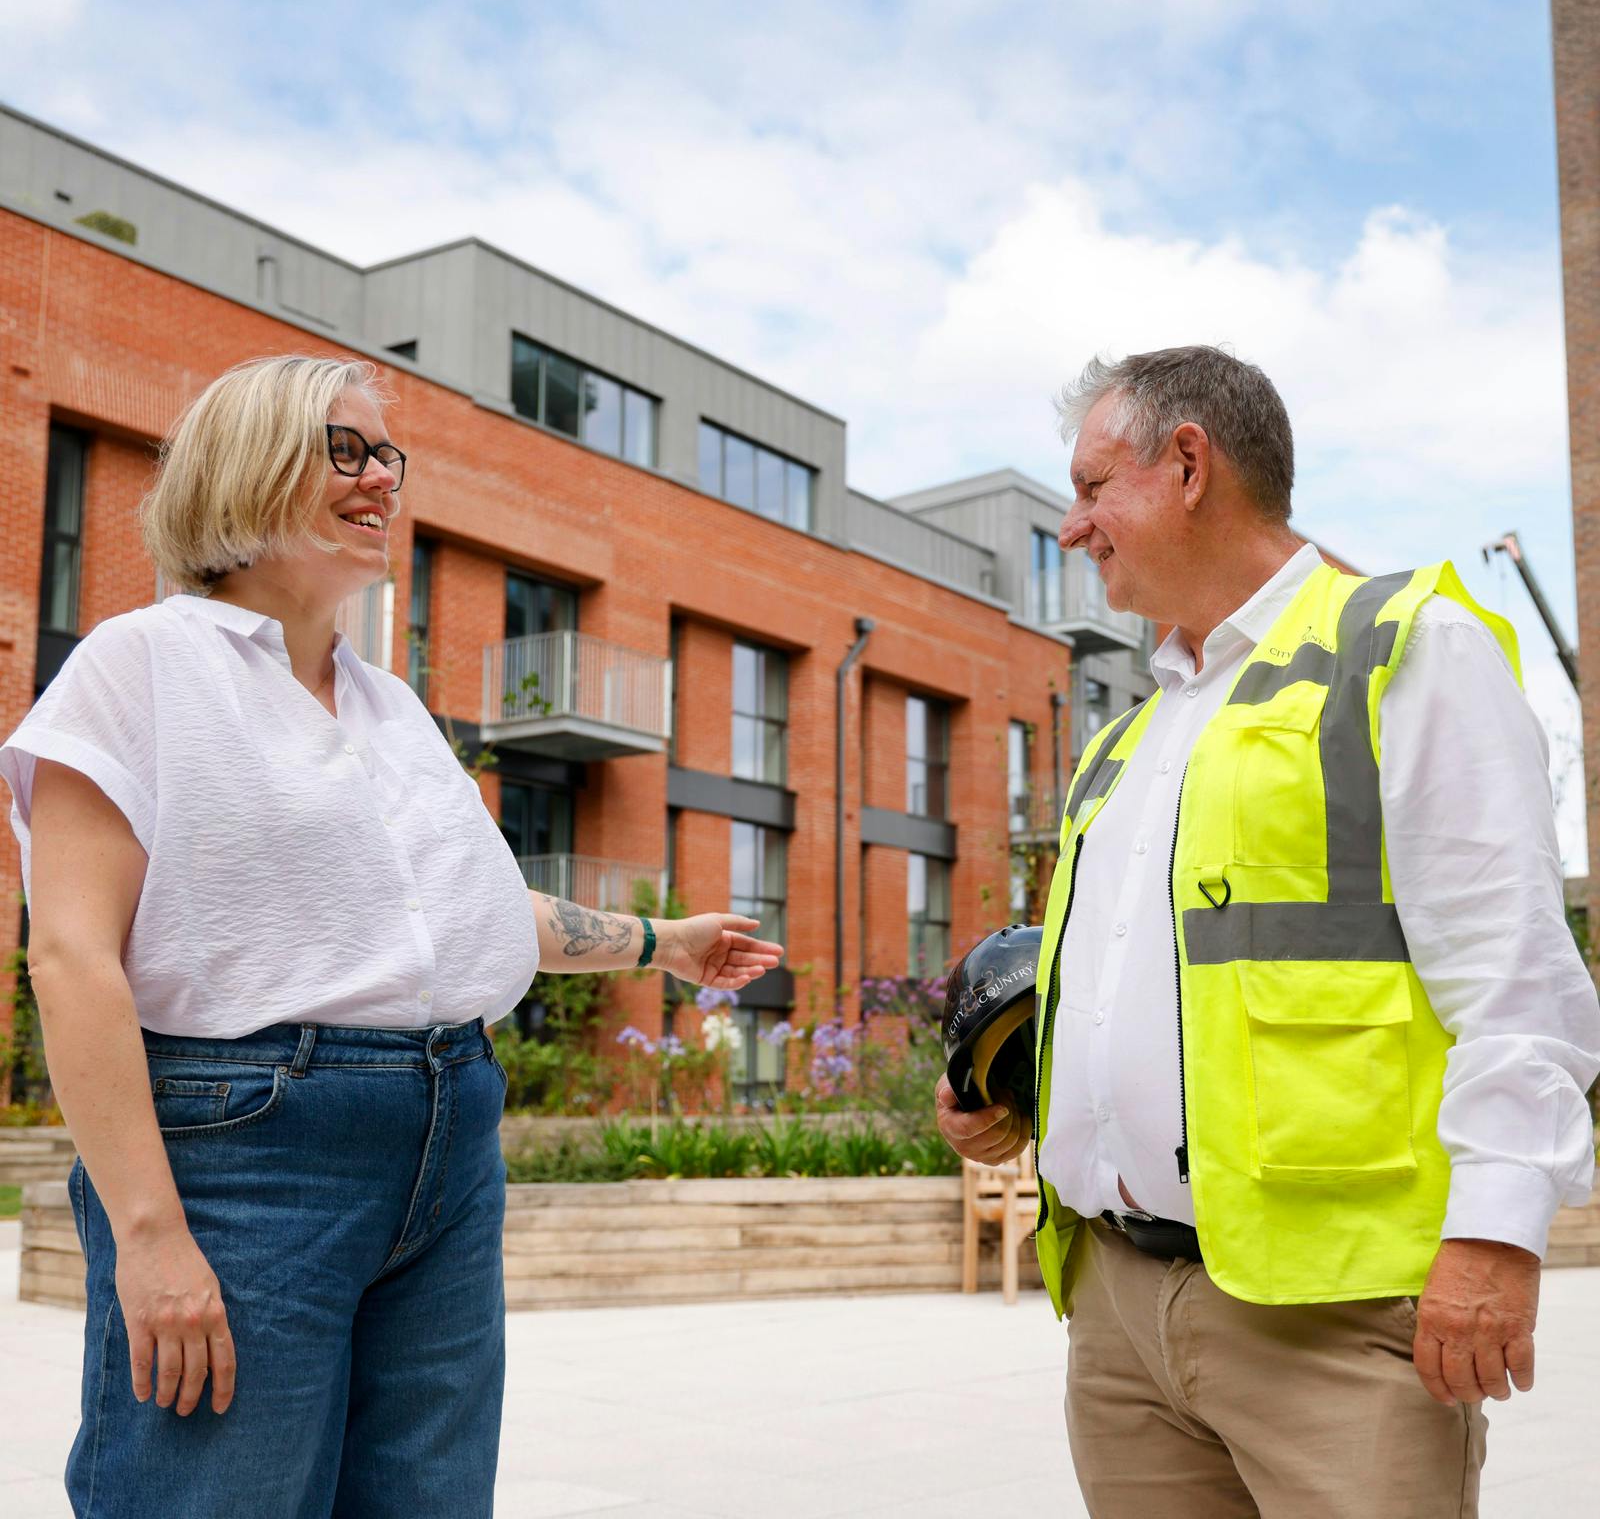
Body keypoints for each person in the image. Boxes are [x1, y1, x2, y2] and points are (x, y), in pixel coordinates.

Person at [0, 352, 783, 1519]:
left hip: (448, 1146)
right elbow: (69, 957)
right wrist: (150, 1236)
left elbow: (455, 919)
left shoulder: (392, 707)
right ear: (246, 465)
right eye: (345, 449)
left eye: (388, 456)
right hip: (250, 1154)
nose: (381, 479)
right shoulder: (140, 664)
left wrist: (659, 939)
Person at [936, 345, 1600, 1519]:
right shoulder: (1129, 739)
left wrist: (1496, 1237)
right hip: (1120, 1316)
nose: (1073, 525)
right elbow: (1140, 991)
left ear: (1189, 463)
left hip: (1335, 1323)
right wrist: (1020, 1096)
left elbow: (1514, 976)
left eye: (1092, 486)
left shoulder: (1403, 650)